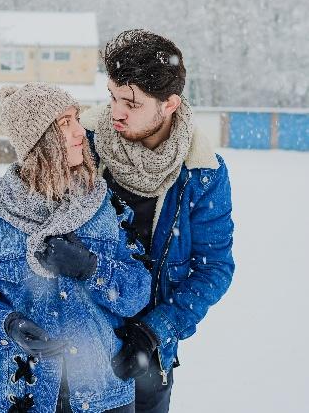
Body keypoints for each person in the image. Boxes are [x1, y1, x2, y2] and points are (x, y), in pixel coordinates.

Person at [0, 82, 153, 413]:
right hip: (25, 397)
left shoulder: (104, 208)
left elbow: (138, 293)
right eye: (65, 123)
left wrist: (91, 268)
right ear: (39, 140)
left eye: (77, 119)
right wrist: (7, 325)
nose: (81, 132)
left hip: (104, 396)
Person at [80, 29, 235, 412]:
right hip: (79, 347)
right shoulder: (82, 144)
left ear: (169, 105)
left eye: (131, 103)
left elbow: (214, 268)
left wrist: (155, 330)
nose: (116, 111)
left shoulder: (203, 174)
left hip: (149, 357)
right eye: (113, 96)